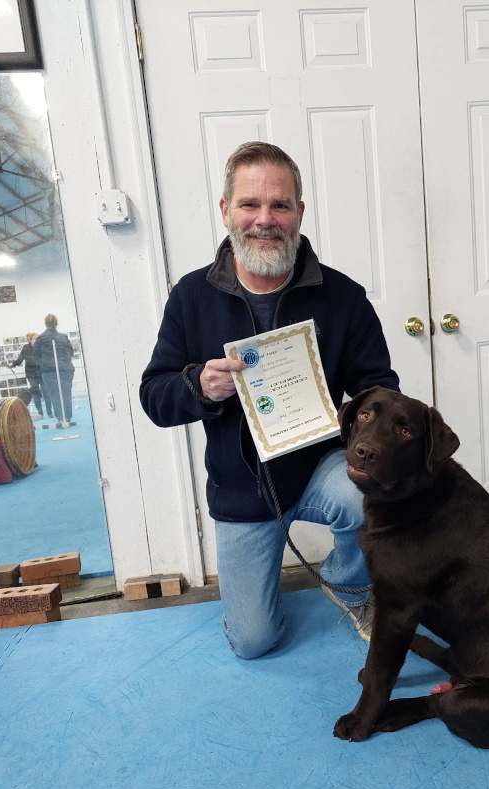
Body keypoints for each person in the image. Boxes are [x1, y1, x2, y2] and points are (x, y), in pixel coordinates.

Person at [140, 141, 399, 659]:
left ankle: (350, 586)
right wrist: (198, 385)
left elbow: (380, 388)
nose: (265, 219)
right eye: (250, 204)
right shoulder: (190, 297)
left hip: (320, 465)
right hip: (243, 489)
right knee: (253, 642)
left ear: (299, 212)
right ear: (226, 210)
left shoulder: (343, 296)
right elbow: (154, 395)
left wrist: (362, 426)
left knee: (369, 493)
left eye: (279, 205)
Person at [32, 314, 76, 428]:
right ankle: (67, 418)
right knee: (66, 394)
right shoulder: (63, 337)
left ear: (45, 324)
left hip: (49, 371)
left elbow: (35, 355)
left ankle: (61, 419)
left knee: (54, 395)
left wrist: (44, 362)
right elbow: (71, 352)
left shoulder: (40, 338)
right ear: (56, 324)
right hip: (65, 369)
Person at [6, 332, 53, 418]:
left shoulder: (41, 347)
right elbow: (19, 360)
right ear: (30, 340)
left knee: (46, 393)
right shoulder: (25, 348)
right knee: (36, 394)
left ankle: (49, 412)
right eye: (36, 338)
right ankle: (40, 413)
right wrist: (12, 364)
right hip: (31, 374)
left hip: (42, 373)